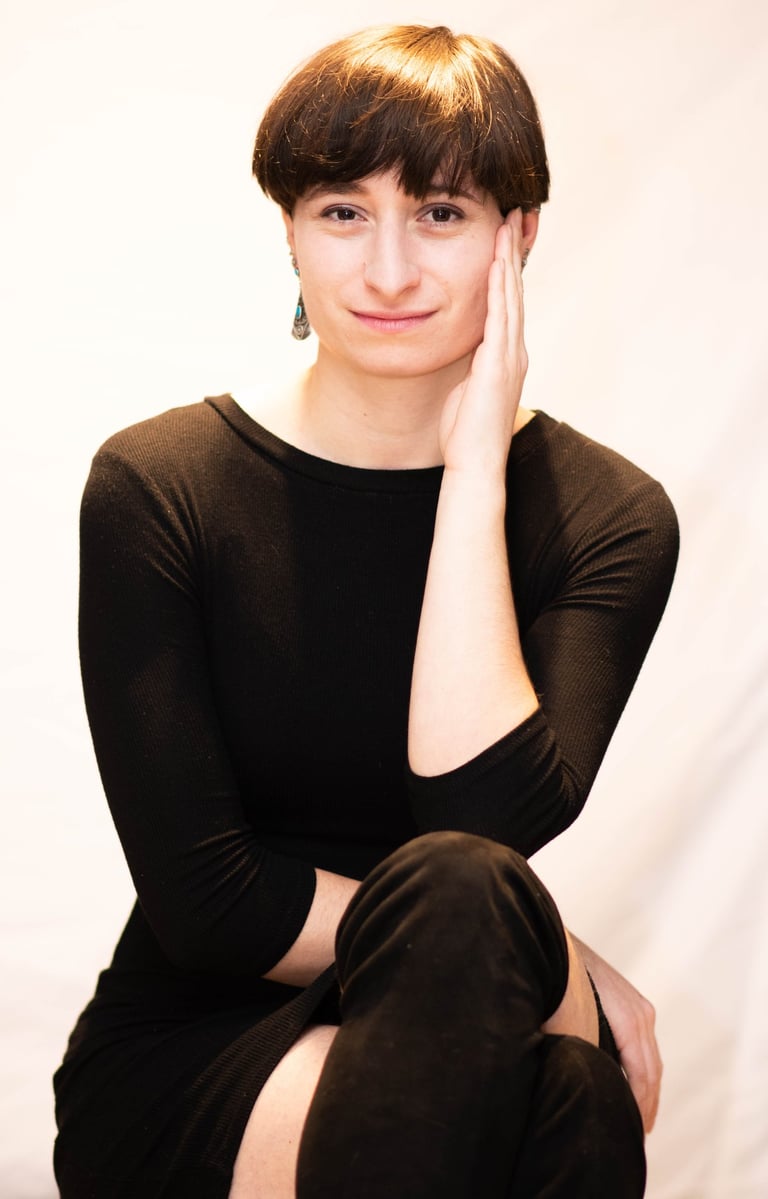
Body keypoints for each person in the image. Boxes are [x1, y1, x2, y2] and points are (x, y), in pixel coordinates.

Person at [52, 23, 679, 1199]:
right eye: (343, 213)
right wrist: (535, 953)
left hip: (465, 1012)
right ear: (289, 231)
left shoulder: (609, 519)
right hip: (203, 1053)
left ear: (519, 233)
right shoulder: (159, 485)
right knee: (488, 947)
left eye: (441, 213)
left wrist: (475, 468)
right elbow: (211, 903)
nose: (389, 271)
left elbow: (479, 817)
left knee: (547, 1051)